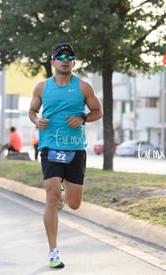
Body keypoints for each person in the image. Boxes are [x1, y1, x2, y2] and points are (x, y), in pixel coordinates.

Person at [28, 43, 103, 268]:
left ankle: (63, 195)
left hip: (75, 150)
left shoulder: (83, 87)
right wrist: (36, 120)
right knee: (50, 198)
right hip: (50, 148)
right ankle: (53, 252)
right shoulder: (42, 87)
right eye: (60, 56)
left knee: (74, 203)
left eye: (69, 57)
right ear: (52, 62)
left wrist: (83, 119)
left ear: (74, 62)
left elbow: (98, 111)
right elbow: (32, 111)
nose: (64, 59)